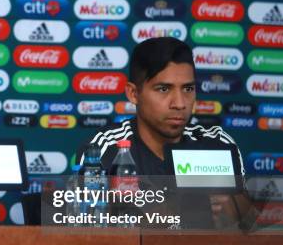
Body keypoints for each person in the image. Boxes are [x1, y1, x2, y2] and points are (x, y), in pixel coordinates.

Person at [76, 37, 248, 228]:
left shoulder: (217, 143)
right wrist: (171, 210)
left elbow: (250, 230)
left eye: (188, 89)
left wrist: (233, 210)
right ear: (133, 94)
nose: (180, 103)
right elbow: (86, 227)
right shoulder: (103, 147)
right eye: (164, 89)